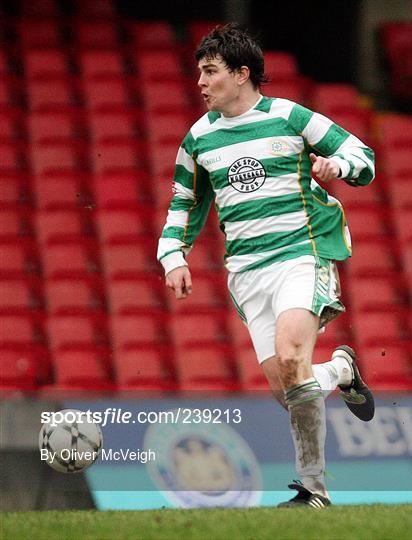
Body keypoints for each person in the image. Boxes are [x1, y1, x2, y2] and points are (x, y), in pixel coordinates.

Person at [157, 23, 375, 508]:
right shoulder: (198, 139)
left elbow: (360, 153)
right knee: (289, 389)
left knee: (294, 360)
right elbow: (184, 202)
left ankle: (313, 491)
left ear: (241, 74)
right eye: (199, 72)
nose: (200, 82)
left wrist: (337, 168)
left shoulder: (289, 116)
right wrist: (173, 255)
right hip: (248, 272)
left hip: (302, 253)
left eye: (210, 72)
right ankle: (340, 371)